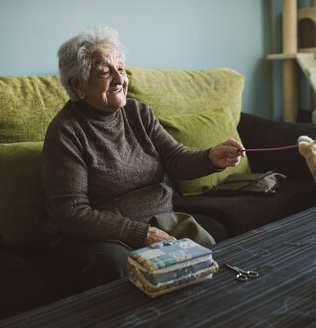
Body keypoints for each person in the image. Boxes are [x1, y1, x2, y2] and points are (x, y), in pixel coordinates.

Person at [41, 26, 244, 288]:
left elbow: (176, 159)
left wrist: (210, 158)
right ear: (78, 85)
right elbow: (71, 213)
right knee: (123, 268)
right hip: (98, 235)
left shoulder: (139, 113)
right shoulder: (66, 132)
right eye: (105, 72)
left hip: (158, 221)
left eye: (121, 69)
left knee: (205, 252)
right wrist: (142, 235)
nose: (118, 79)